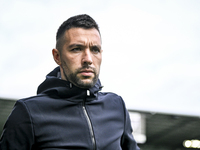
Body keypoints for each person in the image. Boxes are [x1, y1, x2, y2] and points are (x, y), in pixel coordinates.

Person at [0, 14, 140, 150]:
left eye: (95, 50)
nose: (88, 59)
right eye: (77, 49)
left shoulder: (116, 106)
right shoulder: (28, 112)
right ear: (57, 56)